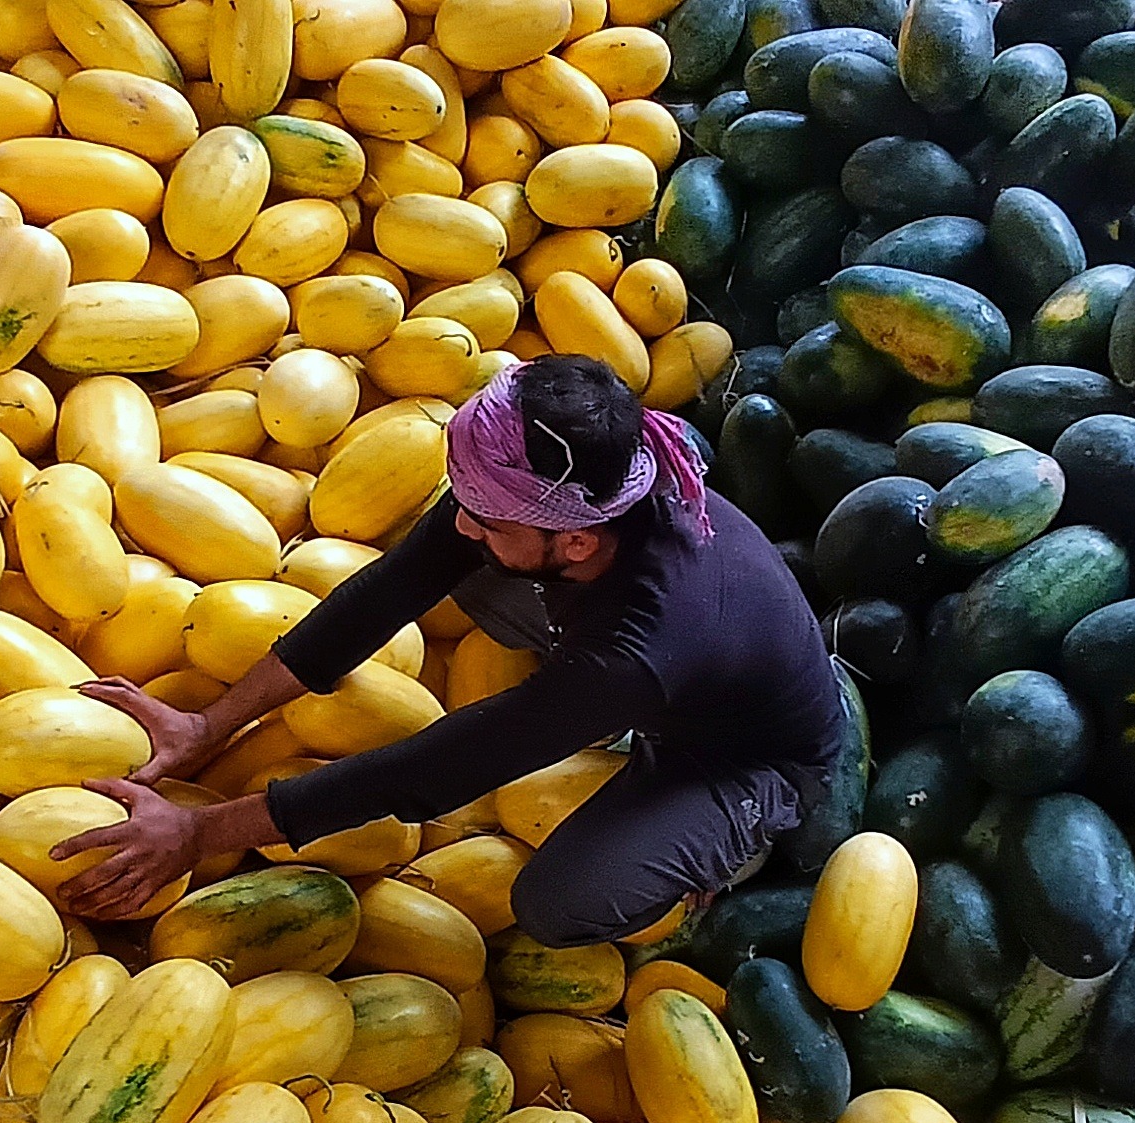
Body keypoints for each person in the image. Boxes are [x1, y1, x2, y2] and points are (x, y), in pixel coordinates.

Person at [49, 354, 849, 946]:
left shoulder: (637, 645)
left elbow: (438, 769)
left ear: (574, 541)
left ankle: (736, 840)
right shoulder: (546, 490)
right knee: (466, 572)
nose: (463, 523)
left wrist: (198, 831)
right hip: (667, 665)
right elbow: (385, 593)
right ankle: (616, 719)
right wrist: (206, 725)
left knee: (559, 905)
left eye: (488, 519)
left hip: (750, 754)